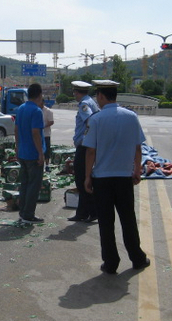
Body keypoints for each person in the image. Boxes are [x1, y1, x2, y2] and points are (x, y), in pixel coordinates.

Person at [83, 79, 150, 274]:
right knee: (128, 219)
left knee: (106, 222)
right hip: (123, 178)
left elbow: (90, 152)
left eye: (98, 95)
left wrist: (87, 177)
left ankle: (111, 263)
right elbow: (138, 148)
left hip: (103, 179)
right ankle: (137, 258)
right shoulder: (131, 116)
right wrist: (137, 170)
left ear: (102, 96)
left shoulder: (96, 119)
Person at [68, 81, 101, 223]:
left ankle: (88, 212)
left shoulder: (84, 104)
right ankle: (86, 212)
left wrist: (87, 138)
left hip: (84, 146)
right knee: (84, 179)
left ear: (77, 92)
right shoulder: (91, 101)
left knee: (81, 180)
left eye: (74, 92)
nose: (74, 94)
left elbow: (89, 121)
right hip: (88, 145)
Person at [14, 83, 45, 224]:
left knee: (25, 183)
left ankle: (23, 212)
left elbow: (16, 130)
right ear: (39, 95)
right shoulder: (37, 111)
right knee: (34, 185)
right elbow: (35, 133)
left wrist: (17, 146)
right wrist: (40, 153)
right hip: (33, 154)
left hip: (23, 152)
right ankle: (28, 214)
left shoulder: (20, 109)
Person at [42, 104, 54, 172]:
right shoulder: (36, 110)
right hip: (38, 134)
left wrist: (44, 125)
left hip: (46, 134)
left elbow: (51, 121)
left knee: (46, 151)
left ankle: (47, 165)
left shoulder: (48, 111)